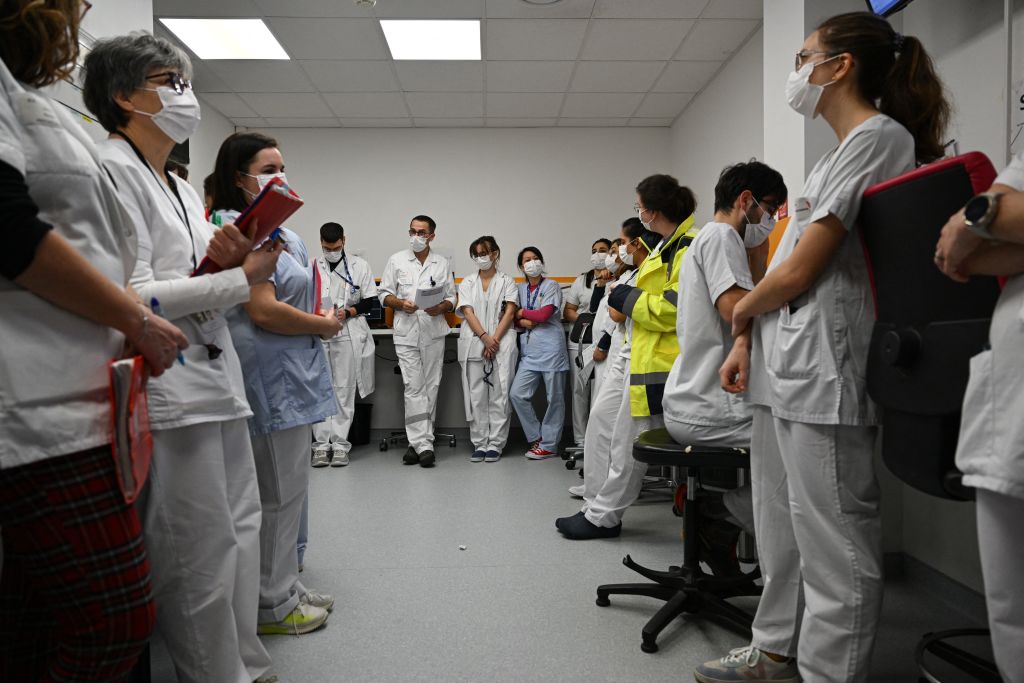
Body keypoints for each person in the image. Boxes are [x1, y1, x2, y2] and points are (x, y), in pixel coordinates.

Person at [701, 13, 950, 682]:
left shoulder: (879, 138)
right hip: (789, 367)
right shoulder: (830, 158)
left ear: (839, 66)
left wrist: (740, 317)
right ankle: (776, 645)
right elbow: (787, 269)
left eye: (803, 56)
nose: (797, 71)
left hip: (826, 372)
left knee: (837, 544)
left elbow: (800, 270)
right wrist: (750, 335)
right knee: (781, 527)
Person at [83, 33, 280, 683]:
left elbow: (196, 281)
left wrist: (228, 259)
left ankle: (245, 661)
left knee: (240, 535)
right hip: (170, 390)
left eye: (186, 81)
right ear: (122, 96)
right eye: (169, 81)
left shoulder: (175, 184)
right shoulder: (109, 171)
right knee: (195, 555)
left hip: (216, 379)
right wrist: (237, 276)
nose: (184, 95)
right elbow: (132, 297)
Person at [0, 2, 188, 679]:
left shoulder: (28, 100)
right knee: (116, 617)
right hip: (34, 406)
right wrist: (136, 317)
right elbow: (10, 229)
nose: (78, 14)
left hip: (84, 396)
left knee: (31, 620)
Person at [210, 132, 339, 636]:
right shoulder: (234, 230)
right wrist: (324, 326)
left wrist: (316, 319)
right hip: (268, 374)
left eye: (283, 167)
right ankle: (272, 605)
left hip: (292, 371)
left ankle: (286, 583)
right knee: (277, 494)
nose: (279, 177)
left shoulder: (282, 231)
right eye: (268, 168)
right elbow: (262, 311)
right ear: (238, 176)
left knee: (292, 490)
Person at [662, 161, 787, 576]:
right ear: (745, 200)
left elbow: (741, 299)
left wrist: (759, 254)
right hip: (708, 406)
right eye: (770, 210)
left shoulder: (719, 239)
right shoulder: (719, 236)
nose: (771, 221)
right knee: (797, 447)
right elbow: (736, 309)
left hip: (697, 399)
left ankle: (720, 520)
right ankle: (723, 514)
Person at [558, 175, 699, 540]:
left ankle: (604, 517)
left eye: (639, 208)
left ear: (652, 211)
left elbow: (677, 309)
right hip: (636, 350)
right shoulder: (665, 247)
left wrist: (624, 298)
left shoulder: (690, 247)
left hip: (661, 361)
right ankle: (594, 503)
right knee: (601, 424)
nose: (637, 213)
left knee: (627, 442)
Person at [934, 155, 1024, 681]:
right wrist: (988, 217)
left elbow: (974, 235)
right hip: (1011, 392)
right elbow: (958, 255)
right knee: (1011, 609)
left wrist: (978, 217)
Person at [566, 221, 660, 504]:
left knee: (616, 428)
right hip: (610, 351)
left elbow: (617, 315)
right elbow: (602, 312)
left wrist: (613, 290)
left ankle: (608, 489)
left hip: (623, 353)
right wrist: (609, 287)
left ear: (637, 245)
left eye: (620, 244)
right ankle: (594, 484)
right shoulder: (622, 279)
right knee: (599, 418)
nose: (615, 252)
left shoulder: (638, 276)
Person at [378, 215, 457, 468]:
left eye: (421, 232)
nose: (416, 236)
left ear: (432, 236)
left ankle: (420, 443)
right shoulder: (397, 260)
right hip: (406, 331)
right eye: (412, 231)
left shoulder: (441, 263)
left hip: (433, 330)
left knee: (431, 386)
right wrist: (401, 304)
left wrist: (441, 306)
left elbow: (452, 298)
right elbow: (384, 294)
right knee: (413, 387)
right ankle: (422, 444)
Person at [311, 221, 378, 468]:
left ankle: (339, 445)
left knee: (343, 389)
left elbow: (371, 301)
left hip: (348, 332)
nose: (332, 251)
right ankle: (319, 446)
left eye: (336, 247)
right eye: (327, 248)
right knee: (320, 388)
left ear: (344, 241)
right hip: (320, 332)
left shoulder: (360, 266)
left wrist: (349, 312)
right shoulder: (311, 266)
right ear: (321, 243)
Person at [456, 236, 519, 462]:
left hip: (501, 343)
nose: (482, 258)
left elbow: (510, 312)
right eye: (478, 254)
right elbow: (468, 311)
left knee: (500, 394)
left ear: (495, 253)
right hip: (475, 341)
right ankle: (479, 442)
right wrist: (485, 337)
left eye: (486, 253)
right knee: (476, 395)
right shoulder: (467, 283)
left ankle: (496, 443)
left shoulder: (507, 282)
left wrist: (494, 340)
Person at [509, 247, 570, 459]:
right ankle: (537, 436)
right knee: (517, 394)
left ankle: (550, 445)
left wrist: (521, 312)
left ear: (542, 262)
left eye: (535, 258)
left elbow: (544, 315)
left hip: (551, 349)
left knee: (555, 399)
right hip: (530, 351)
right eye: (527, 260)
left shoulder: (551, 285)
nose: (532, 262)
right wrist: (523, 319)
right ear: (521, 266)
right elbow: (510, 317)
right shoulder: (519, 288)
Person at [564, 238, 612, 448]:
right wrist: (588, 321)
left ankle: (598, 439)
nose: (598, 254)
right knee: (579, 390)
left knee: (601, 390)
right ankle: (581, 439)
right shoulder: (582, 280)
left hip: (605, 341)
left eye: (603, 250)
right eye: (594, 250)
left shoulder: (617, 277)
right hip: (581, 341)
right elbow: (569, 311)